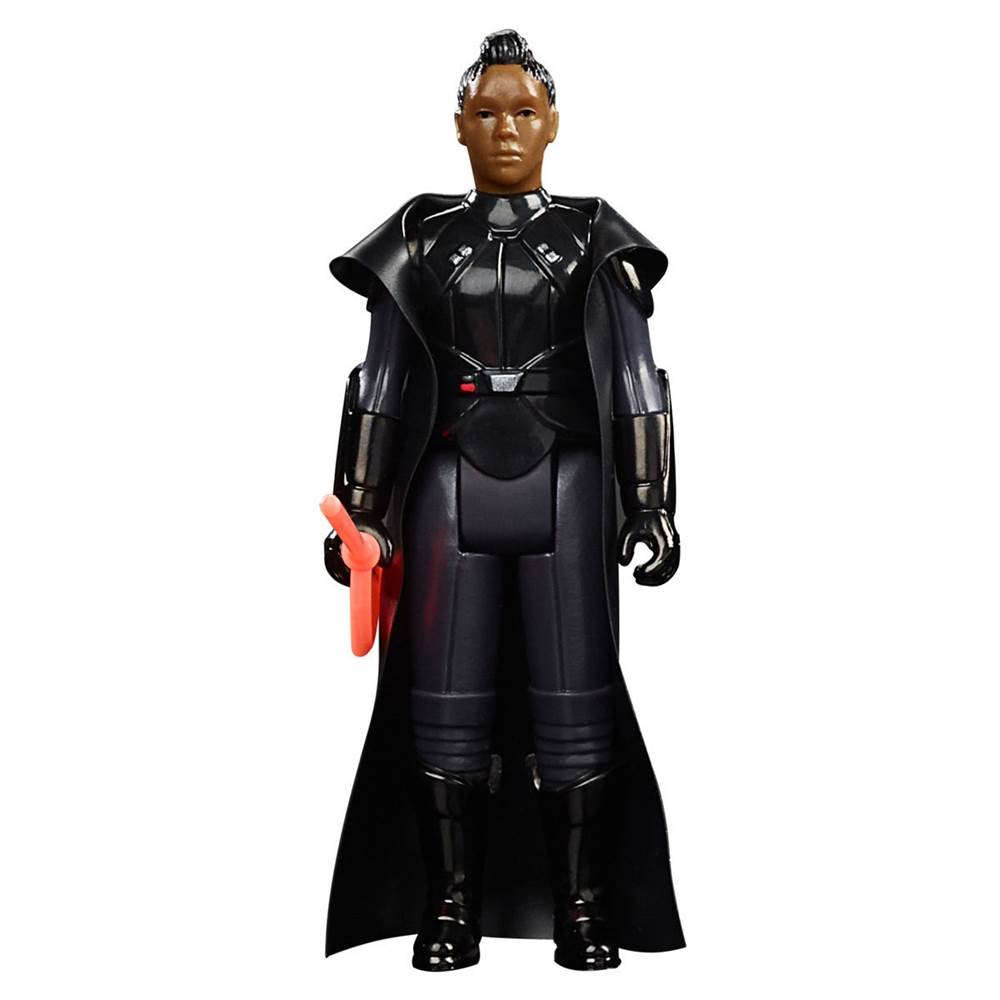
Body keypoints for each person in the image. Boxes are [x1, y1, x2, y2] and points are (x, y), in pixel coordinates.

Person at [323, 29, 684, 972]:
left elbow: (638, 381)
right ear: (459, 125)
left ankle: (583, 910)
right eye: (487, 112)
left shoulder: (595, 237)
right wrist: (362, 506)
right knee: (446, 709)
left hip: (569, 484)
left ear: (554, 122)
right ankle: (450, 908)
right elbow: (381, 381)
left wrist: (651, 500)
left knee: (576, 707)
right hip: (448, 487)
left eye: (525, 111)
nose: (507, 128)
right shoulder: (420, 239)